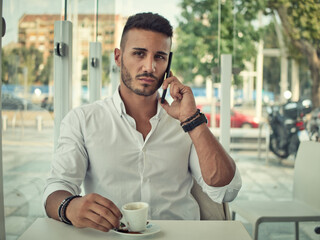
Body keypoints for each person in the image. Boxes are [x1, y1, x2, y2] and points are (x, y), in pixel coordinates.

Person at [43, 12, 242, 232]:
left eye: (159, 57)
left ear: (168, 63)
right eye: (139, 54)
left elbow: (226, 190)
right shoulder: (82, 120)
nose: (149, 66)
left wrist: (192, 120)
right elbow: (57, 187)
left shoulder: (186, 122)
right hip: (112, 237)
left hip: (180, 235)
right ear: (118, 57)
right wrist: (69, 207)